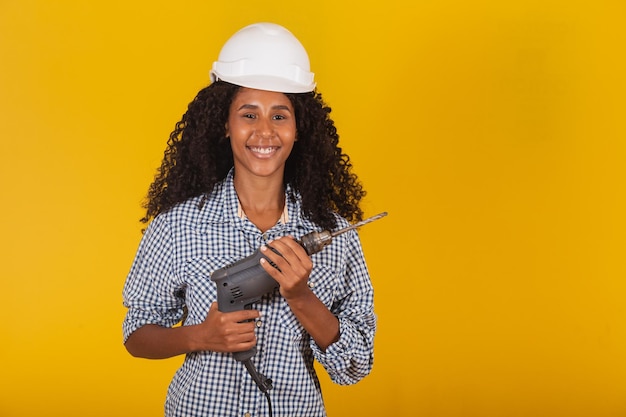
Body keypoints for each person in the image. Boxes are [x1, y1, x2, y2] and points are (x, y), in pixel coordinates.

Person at [122, 22, 376, 417]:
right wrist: (199, 336)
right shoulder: (178, 226)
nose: (264, 132)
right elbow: (136, 335)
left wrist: (300, 296)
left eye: (279, 116)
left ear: (298, 130)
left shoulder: (336, 235)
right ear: (225, 124)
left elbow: (356, 366)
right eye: (248, 114)